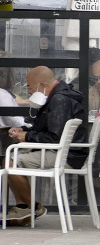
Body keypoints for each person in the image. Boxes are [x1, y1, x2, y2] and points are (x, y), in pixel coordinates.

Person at [5, 66, 89, 227]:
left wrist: (27, 137)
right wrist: (24, 130)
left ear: (41, 85)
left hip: (64, 155)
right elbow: (49, 129)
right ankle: (24, 206)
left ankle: (32, 207)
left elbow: (54, 138)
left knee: (9, 162)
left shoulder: (58, 100)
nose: (29, 92)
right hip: (70, 153)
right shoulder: (59, 96)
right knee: (12, 159)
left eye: (29, 86)